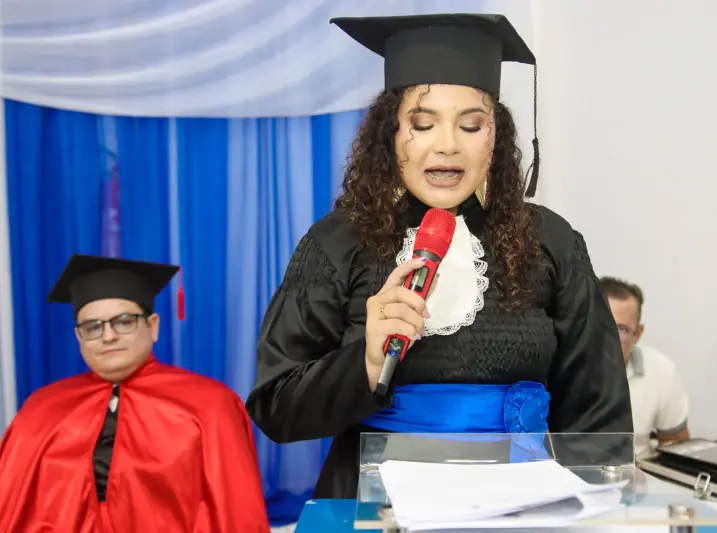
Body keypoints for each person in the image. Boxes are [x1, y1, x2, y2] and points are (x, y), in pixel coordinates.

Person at [246, 13, 634, 499]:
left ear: (495, 138)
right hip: (376, 504)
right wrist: (365, 361)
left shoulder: (551, 241)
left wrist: (594, 508)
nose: (448, 146)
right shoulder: (337, 242)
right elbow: (277, 409)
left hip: (518, 502)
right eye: (423, 124)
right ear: (390, 134)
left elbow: (598, 413)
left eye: (471, 125)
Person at [0, 254, 271, 532]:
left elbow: (235, 512)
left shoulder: (210, 404)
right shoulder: (42, 407)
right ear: (79, 338)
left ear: (152, 326)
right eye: (92, 327)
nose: (108, 336)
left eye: (124, 321)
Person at [600, 276, 691, 456]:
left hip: (638, 469)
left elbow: (677, 446)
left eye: (621, 329)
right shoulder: (551, 367)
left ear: (637, 334)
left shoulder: (661, 370)